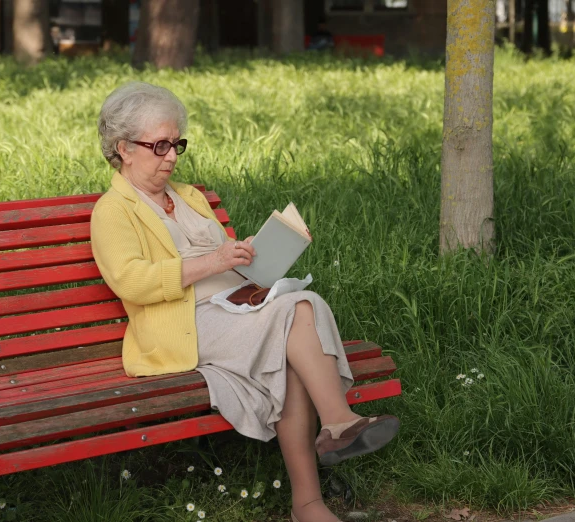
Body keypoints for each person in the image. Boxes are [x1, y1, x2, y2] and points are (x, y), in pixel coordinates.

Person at [90, 82, 400, 522]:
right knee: (301, 309)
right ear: (123, 148)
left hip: (238, 306)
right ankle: (339, 424)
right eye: (159, 145)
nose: (172, 156)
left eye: (176, 143)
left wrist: (251, 254)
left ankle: (309, 503)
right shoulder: (113, 211)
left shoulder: (189, 196)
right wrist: (215, 259)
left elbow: (221, 258)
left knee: (294, 340)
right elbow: (131, 281)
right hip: (184, 325)